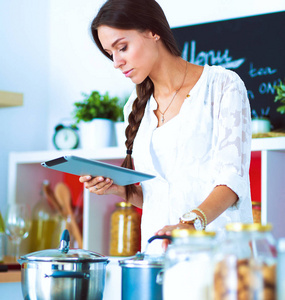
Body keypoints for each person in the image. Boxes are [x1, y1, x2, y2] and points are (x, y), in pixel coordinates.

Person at [79, 0, 253, 253]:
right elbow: (159, 197)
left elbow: (232, 179)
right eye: (110, 54)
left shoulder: (223, 85)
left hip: (219, 256)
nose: (116, 62)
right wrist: (122, 191)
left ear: (152, 31)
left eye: (122, 47)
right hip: (158, 255)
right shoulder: (134, 106)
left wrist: (191, 223)